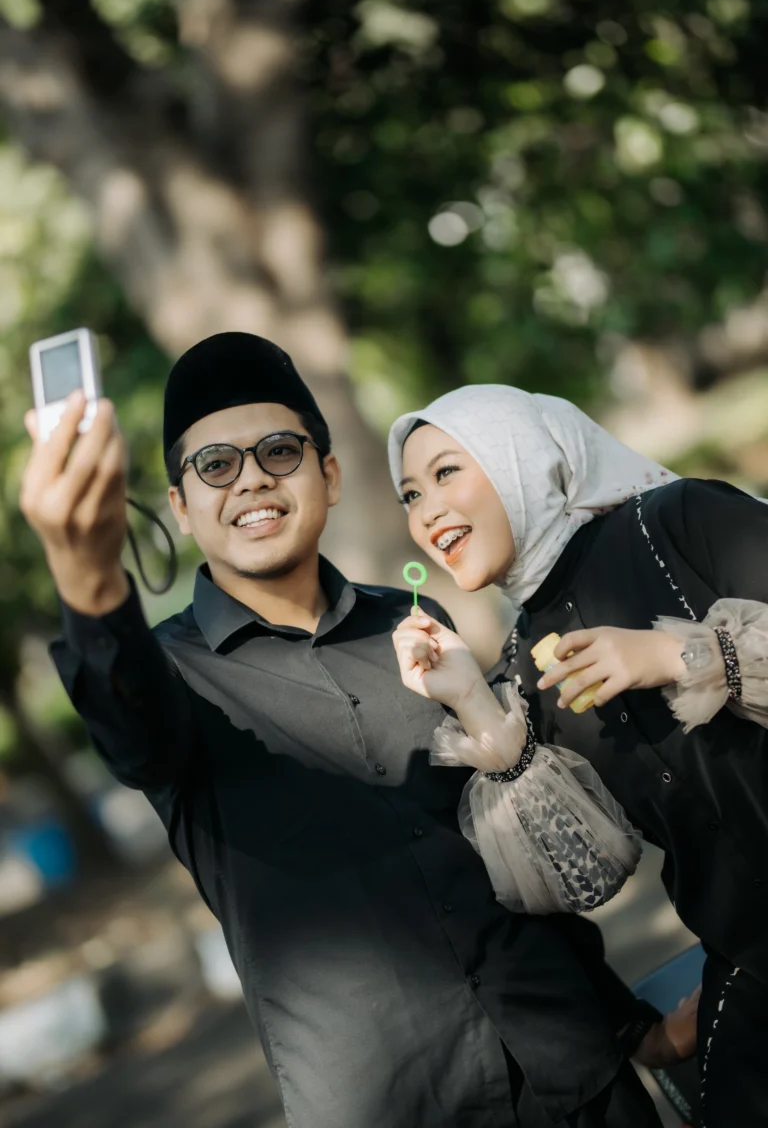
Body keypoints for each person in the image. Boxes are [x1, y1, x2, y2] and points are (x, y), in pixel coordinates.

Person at [19, 333, 676, 1128]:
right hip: (391, 1104)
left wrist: (625, 1024)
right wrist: (86, 575)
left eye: (279, 451)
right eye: (216, 465)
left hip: (575, 1073)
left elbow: (502, 845)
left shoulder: (413, 622)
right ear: (183, 508)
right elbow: (127, 727)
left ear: (328, 476)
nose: (252, 476)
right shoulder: (167, 677)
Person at [388, 382, 768, 1128]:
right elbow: (584, 874)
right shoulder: (524, 666)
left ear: (520, 460)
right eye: (407, 494)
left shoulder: (682, 520)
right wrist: (474, 705)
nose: (425, 511)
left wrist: (676, 653)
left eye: (445, 473)